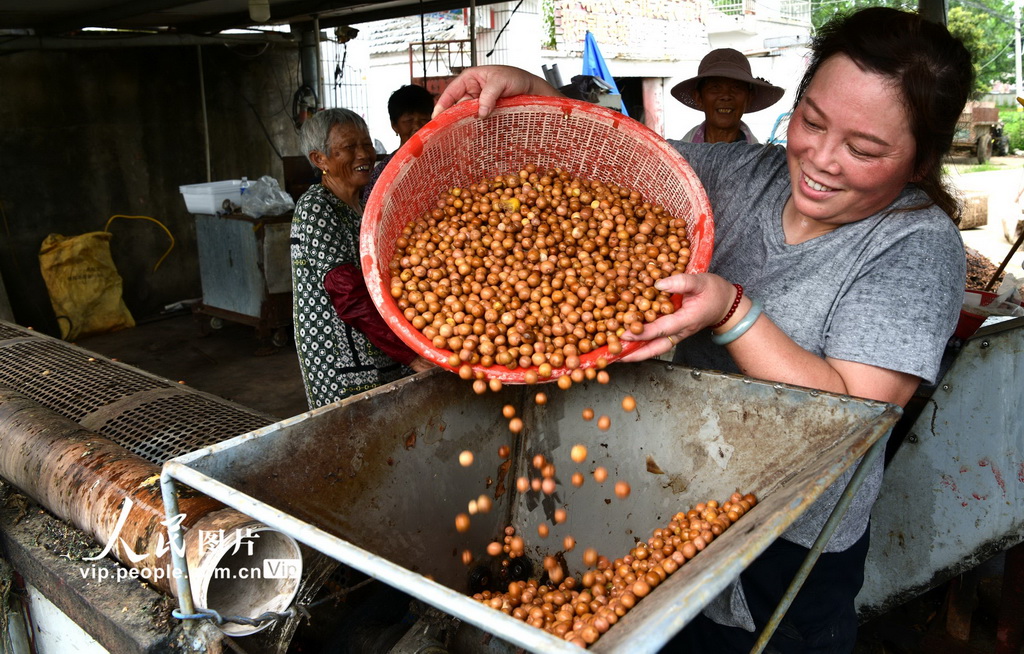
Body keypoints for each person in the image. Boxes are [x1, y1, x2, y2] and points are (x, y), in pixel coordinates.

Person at [431, 7, 972, 652]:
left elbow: (853, 412)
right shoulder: (744, 174)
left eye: (863, 149)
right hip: (669, 494)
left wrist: (731, 310)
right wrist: (538, 93)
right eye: (811, 122)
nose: (821, 159)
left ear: (920, 161)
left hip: (785, 544)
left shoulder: (917, 246)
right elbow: (620, 159)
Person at [292, 108, 431, 409]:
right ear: (319, 159)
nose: (364, 154)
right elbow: (347, 293)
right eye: (349, 147)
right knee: (356, 432)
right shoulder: (316, 207)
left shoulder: (365, 207)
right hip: (343, 361)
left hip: (383, 348)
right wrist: (409, 354)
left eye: (367, 144)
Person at [672, 48, 784, 144]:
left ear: (749, 98)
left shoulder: (760, 159)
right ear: (699, 98)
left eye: (736, 87)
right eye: (715, 87)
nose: (726, 96)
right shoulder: (678, 154)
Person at [361, 84, 435, 205]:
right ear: (394, 125)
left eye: (424, 120)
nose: (417, 127)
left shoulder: (446, 162)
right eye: (408, 121)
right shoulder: (383, 173)